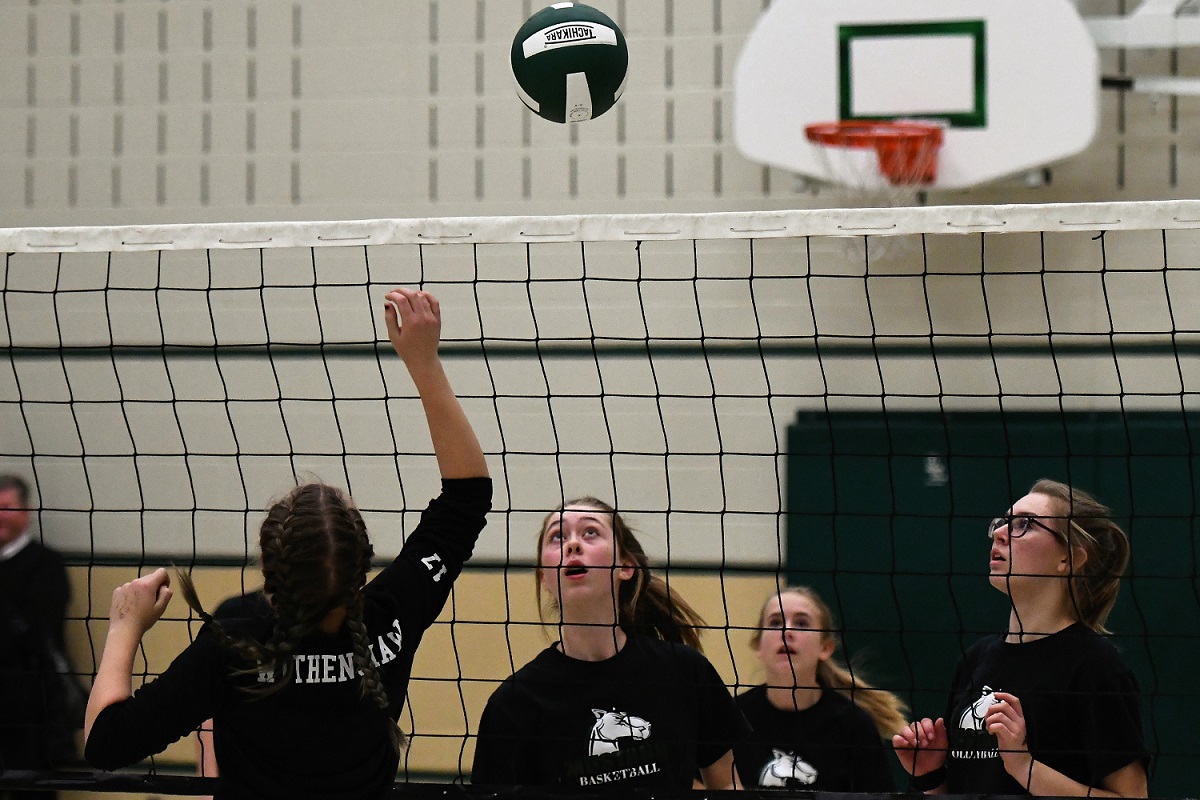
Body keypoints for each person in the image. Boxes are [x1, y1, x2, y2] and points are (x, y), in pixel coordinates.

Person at [83, 287, 492, 800]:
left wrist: (125, 624)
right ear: (359, 563)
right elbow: (467, 498)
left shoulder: (234, 644)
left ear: (269, 565)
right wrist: (424, 361)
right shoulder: (392, 615)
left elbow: (105, 745)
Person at [893, 479, 1149, 797]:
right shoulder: (975, 659)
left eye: (1024, 524)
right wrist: (929, 776)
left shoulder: (1095, 666)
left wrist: (1025, 768)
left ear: (1068, 559)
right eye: (1003, 522)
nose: (1000, 533)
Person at [471, 497, 747, 790]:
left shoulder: (686, 671)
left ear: (625, 567)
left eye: (590, 532)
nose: (573, 545)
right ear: (544, 577)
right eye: (557, 537)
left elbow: (727, 787)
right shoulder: (514, 703)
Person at [735, 585, 905, 791]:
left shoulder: (853, 724)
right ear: (758, 646)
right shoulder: (733, 717)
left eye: (801, 623)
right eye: (775, 622)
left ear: (825, 648)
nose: (786, 631)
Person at [0, 474, 76, 800]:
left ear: (26, 511)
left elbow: (37, 632)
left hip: (31, 710)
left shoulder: (46, 564)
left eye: (6, 507)